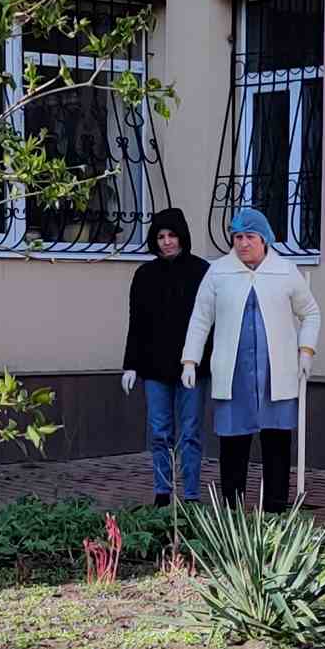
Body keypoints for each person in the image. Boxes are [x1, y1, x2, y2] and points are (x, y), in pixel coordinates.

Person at [181, 206, 318, 512]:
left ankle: (275, 506)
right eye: (237, 236)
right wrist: (190, 359)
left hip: (275, 372)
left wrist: (306, 350)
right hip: (234, 373)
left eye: (249, 237)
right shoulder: (218, 272)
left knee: (277, 440)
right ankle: (232, 506)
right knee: (233, 441)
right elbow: (201, 318)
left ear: (264, 238)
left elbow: (310, 313)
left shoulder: (285, 271)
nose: (242, 243)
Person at [121, 207, 207, 506]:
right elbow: (137, 323)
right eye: (161, 236)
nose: (167, 241)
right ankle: (162, 492)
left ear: (182, 236)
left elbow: (209, 321)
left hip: (192, 368)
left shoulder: (201, 271)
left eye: (172, 235)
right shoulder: (144, 275)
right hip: (154, 368)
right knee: (159, 432)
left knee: (191, 433)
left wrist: (200, 361)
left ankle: (192, 495)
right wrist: (131, 365)